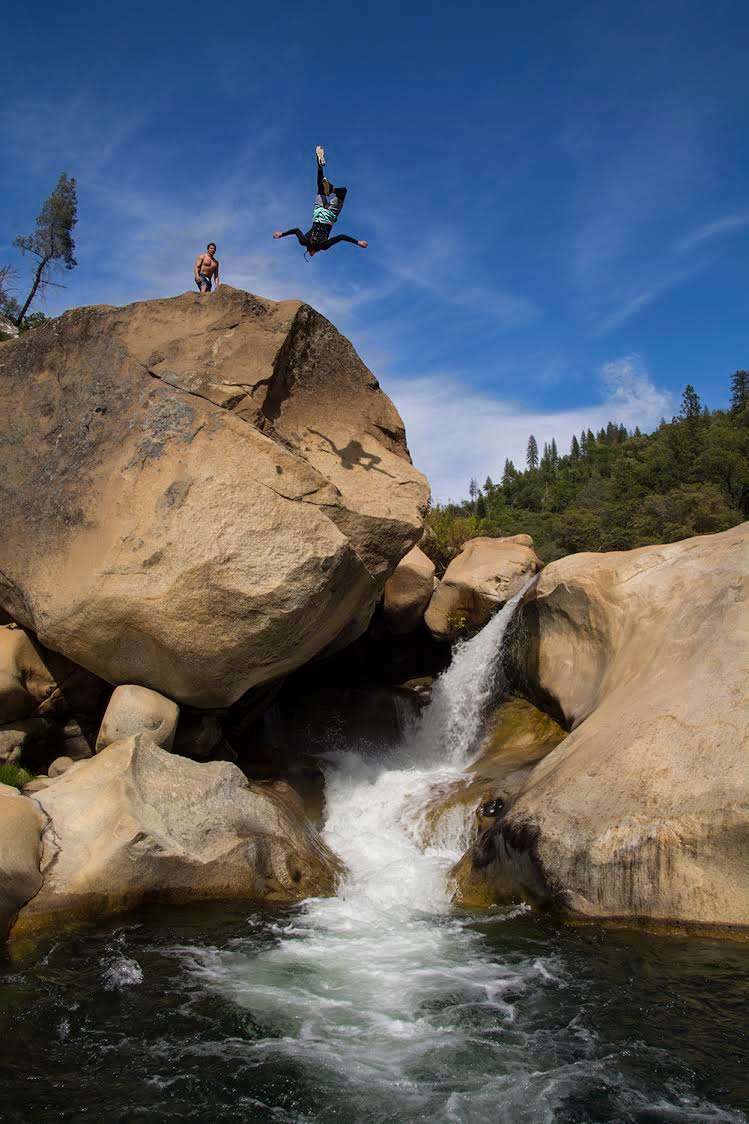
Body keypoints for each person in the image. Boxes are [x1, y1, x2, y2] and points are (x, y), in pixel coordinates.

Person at [273, 146, 368, 258]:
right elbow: (296, 230)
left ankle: (331, 188)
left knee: (342, 191)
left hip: (330, 215)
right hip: (318, 212)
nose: (312, 255)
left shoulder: (324, 246)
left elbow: (341, 237)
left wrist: (358, 242)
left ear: (311, 251)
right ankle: (324, 174)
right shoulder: (304, 242)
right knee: (321, 187)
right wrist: (281, 234)